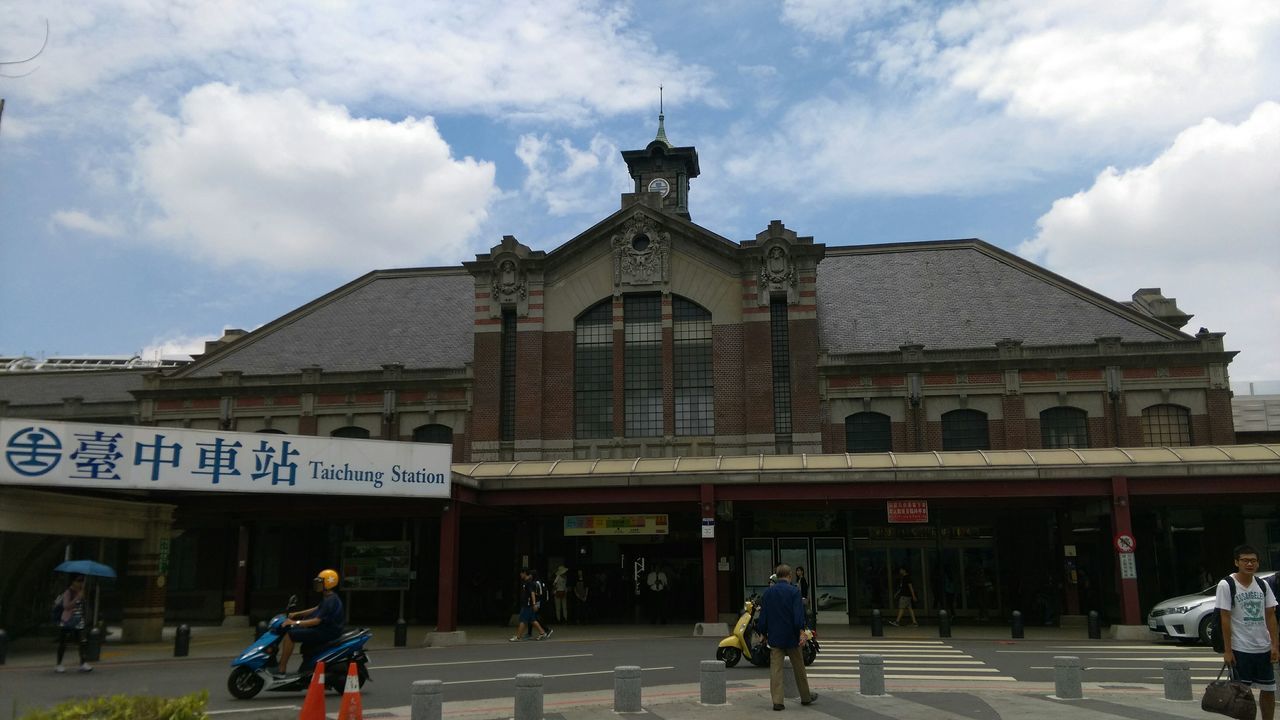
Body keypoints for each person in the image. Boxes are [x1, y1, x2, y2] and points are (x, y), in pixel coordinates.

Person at [1217, 544, 1278, 720]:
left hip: (1263, 647)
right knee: (1243, 693)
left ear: (1258, 564)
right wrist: (1228, 651)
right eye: (1245, 560)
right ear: (1237, 562)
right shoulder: (1226, 584)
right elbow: (1225, 618)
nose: (1249, 564)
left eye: (1253, 561)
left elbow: (1270, 616)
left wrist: (1275, 645)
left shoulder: (1262, 584)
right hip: (1240, 648)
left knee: (1269, 690)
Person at [755, 564, 817, 711]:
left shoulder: (768, 593)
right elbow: (797, 617)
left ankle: (777, 701)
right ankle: (806, 697)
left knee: (775, 670)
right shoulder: (794, 592)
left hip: (775, 637)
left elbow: (763, 618)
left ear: (777, 576)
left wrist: (763, 633)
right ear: (789, 576)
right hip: (792, 637)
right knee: (799, 669)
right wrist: (801, 632)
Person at [277, 569, 344, 676]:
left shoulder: (330, 600)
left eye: (320, 582)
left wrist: (295, 622)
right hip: (326, 629)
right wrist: (297, 614)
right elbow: (317, 608)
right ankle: (307, 665)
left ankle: (281, 667)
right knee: (298, 631)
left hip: (326, 631)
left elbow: (316, 621)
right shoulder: (329, 597)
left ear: (328, 583)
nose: (317, 585)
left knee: (290, 635)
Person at [53, 575, 91, 673]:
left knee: (82, 642)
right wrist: (77, 598)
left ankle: (83, 663)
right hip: (68, 620)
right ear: (73, 582)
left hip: (79, 620)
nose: (80, 583)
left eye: (82, 581)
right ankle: (59, 664)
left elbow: (83, 606)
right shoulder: (68, 592)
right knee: (63, 642)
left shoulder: (81, 592)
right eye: (78, 581)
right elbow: (66, 606)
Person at [510, 568, 553, 641]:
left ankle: (518, 637)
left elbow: (532, 593)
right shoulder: (527, 582)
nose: (520, 575)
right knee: (533, 620)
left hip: (527, 604)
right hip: (528, 604)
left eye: (521, 573)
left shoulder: (529, 583)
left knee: (523, 620)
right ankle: (543, 633)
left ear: (524, 573)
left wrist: (534, 604)